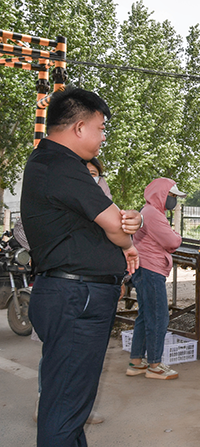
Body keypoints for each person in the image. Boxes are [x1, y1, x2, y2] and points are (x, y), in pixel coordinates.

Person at [20, 86, 141, 446]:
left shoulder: (51, 164)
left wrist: (124, 227)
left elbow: (114, 223)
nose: (103, 137)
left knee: (69, 404)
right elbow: (117, 228)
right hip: (76, 296)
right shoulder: (60, 165)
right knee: (65, 408)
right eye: (101, 128)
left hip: (72, 294)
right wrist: (128, 237)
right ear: (79, 127)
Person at [126, 178, 186, 380]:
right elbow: (171, 240)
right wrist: (176, 236)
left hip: (144, 268)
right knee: (159, 316)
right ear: (163, 194)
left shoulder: (149, 211)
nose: (174, 200)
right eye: (172, 196)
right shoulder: (153, 214)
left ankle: (136, 361)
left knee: (145, 314)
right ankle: (155, 364)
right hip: (151, 270)